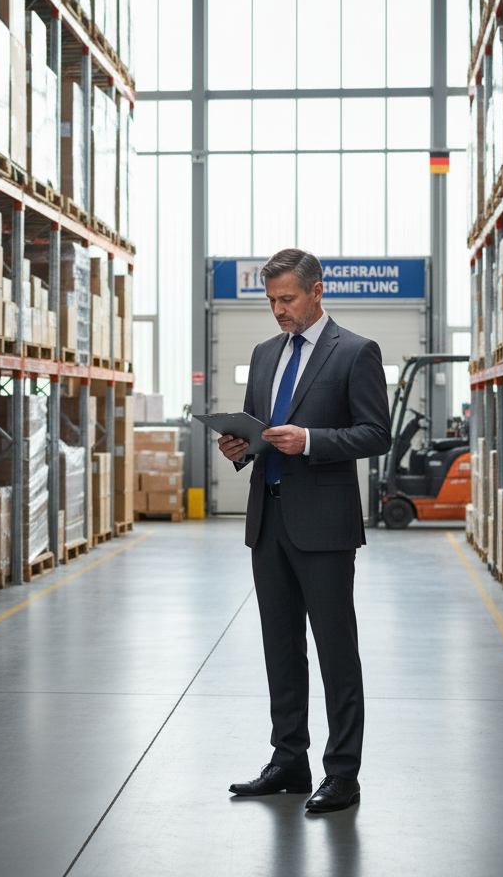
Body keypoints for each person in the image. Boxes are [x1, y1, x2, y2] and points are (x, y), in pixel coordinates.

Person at [218, 248, 390, 814]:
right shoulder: (265, 354)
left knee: (336, 650)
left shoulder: (356, 352)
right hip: (267, 521)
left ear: (318, 291)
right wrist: (238, 448)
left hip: (324, 526)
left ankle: (343, 772)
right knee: (280, 649)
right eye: (271, 301)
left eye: (287, 299)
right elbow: (256, 430)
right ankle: (289, 759)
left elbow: (375, 434)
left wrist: (313, 440)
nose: (278, 311)